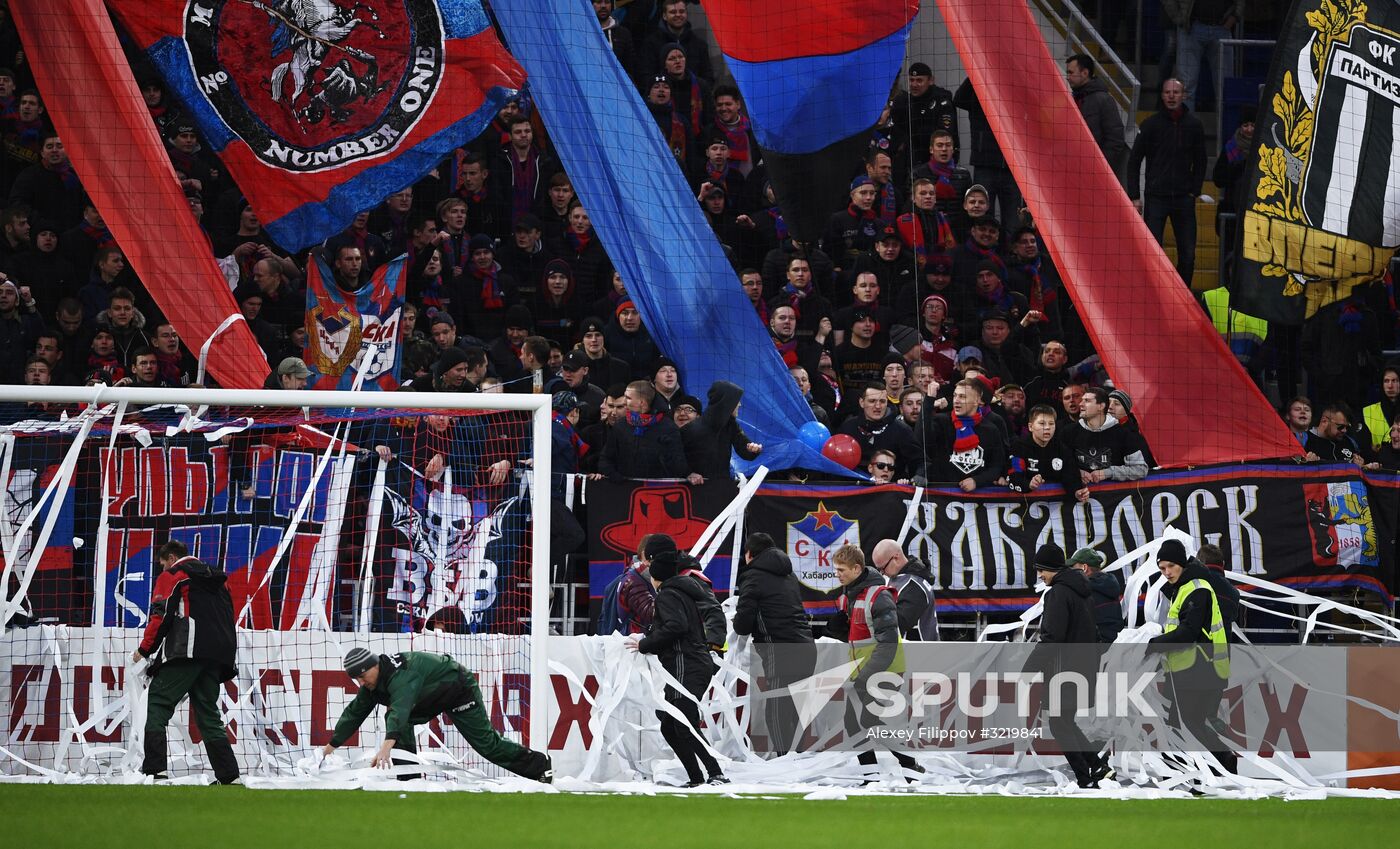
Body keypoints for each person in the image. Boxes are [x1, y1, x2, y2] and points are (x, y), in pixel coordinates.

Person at [321, 647, 554, 782]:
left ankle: (541, 768)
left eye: (362, 676)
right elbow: (354, 712)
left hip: (457, 689)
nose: (361, 682)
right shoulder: (373, 684)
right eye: (357, 679)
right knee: (397, 721)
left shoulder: (401, 676)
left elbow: (400, 710)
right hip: (429, 695)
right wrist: (331, 746)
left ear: (373, 666)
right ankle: (409, 782)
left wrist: (385, 749)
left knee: (487, 745)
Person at [130, 539, 240, 784]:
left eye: (162, 564)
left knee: (157, 703)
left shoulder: (174, 575)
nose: (162, 569)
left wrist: (145, 649)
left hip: (186, 651)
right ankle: (230, 776)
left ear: (170, 558)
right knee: (208, 713)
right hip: (218, 656)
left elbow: (161, 614)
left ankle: (154, 771)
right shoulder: (220, 581)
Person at [627, 548, 729, 787]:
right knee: (670, 724)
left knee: (682, 722)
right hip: (691, 663)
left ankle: (716, 773)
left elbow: (675, 626)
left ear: (655, 576)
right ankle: (696, 777)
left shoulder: (668, 595)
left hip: (687, 663)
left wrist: (645, 644)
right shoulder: (685, 591)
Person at [825, 544, 922, 780]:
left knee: (867, 720)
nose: (837, 574)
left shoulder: (879, 596)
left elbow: (887, 643)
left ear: (857, 568)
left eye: (841, 570)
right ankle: (877, 776)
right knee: (856, 723)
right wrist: (840, 630)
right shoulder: (851, 596)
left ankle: (907, 768)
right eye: (836, 569)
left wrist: (866, 675)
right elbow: (861, 637)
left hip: (885, 669)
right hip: (866, 670)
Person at [1146, 538, 1237, 774]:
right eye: (1162, 568)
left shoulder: (1197, 589)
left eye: (1170, 567)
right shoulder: (1186, 587)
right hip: (1190, 668)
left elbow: (1188, 632)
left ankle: (1220, 763)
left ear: (1182, 564)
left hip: (1199, 669)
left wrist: (1154, 644)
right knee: (1185, 724)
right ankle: (1207, 769)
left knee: (1185, 724)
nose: (1166, 573)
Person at [1026, 544, 1114, 788]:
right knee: (1065, 721)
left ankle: (1086, 778)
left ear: (1052, 569)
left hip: (1062, 671)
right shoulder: (1082, 591)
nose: (1039, 576)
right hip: (1082, 668)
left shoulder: (1057, 594)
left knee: (1059, 723)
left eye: (1041, 570)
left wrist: (1028, 668)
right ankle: (1096, 767)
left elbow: (1052, 638)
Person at [733, 532, 815, 756]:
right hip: (806, 646)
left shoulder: (753, 576)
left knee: (776, 709)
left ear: (750, 554)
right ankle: (797, 758)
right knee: (793, 709)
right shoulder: (789, 575)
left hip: (780, 650)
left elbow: (743, 624)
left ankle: (786, 762)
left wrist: (734, 620)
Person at [1126, 78, 1207, 285]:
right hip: (1156, 198)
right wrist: (1135, 196)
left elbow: (1201, 161)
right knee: (1152, 252)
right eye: (1167, 92)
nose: (1171, 96)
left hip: (1183, 198)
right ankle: (1155, 294)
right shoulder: (1150, 125)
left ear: (1184, 95)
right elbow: (1134, 160)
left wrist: (1194, 191)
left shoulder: (1194, 125)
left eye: (1176, 92)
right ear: (1162, 95)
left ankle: (1184, 297)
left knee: (1188, 255)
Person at [1066, 54, 1126, 179]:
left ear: (1085, 73)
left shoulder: (1104, 100)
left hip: (1095, 175)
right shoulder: (1072, 100)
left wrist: (1098, 168)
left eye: (1071, 73)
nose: (1068, 77)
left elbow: (1115, 140)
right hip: (1072, 171)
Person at [870, 539, 939, 640]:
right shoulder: (898, 578)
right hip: (910, 650)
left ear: (896, 558)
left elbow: (898, 624)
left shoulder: (914, 586)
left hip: (920, 652)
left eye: (883, 568)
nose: (882, 573)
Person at [1068, 547, 1124, 643]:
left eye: (1073, 567)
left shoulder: (1085, 591)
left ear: (1084, 568)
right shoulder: (1110, 585)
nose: (1070, 571)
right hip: (1114, 646)